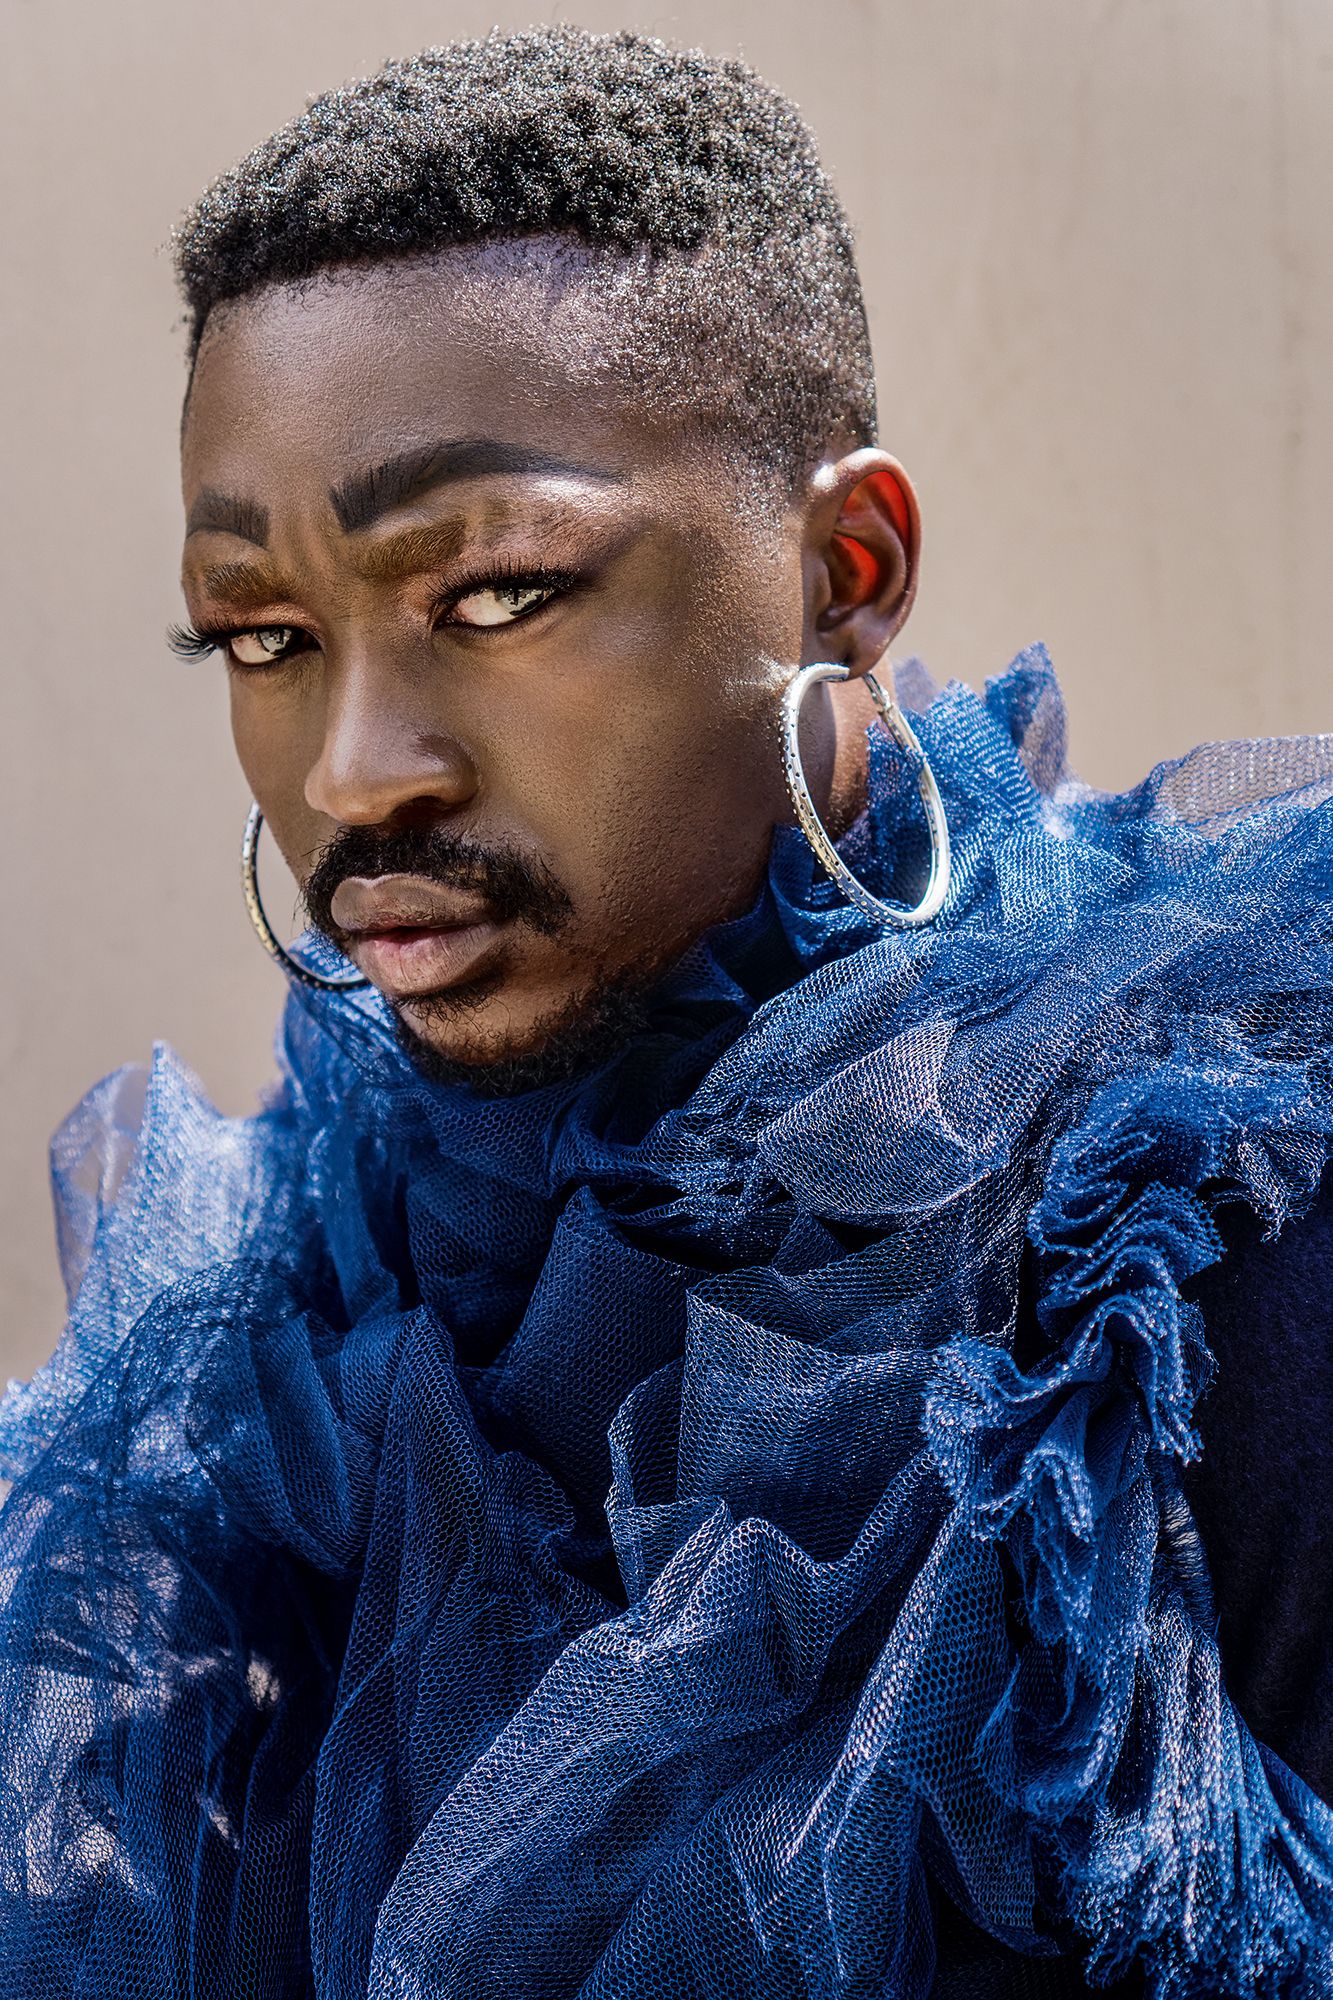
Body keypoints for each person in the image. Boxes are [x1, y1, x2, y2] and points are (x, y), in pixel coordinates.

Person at [2, 27, 1333, 1999]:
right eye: (265, 633)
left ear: (846, 569)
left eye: (498, 590)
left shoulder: (1203, 1246)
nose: (356, 769)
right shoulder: (262, 1370)